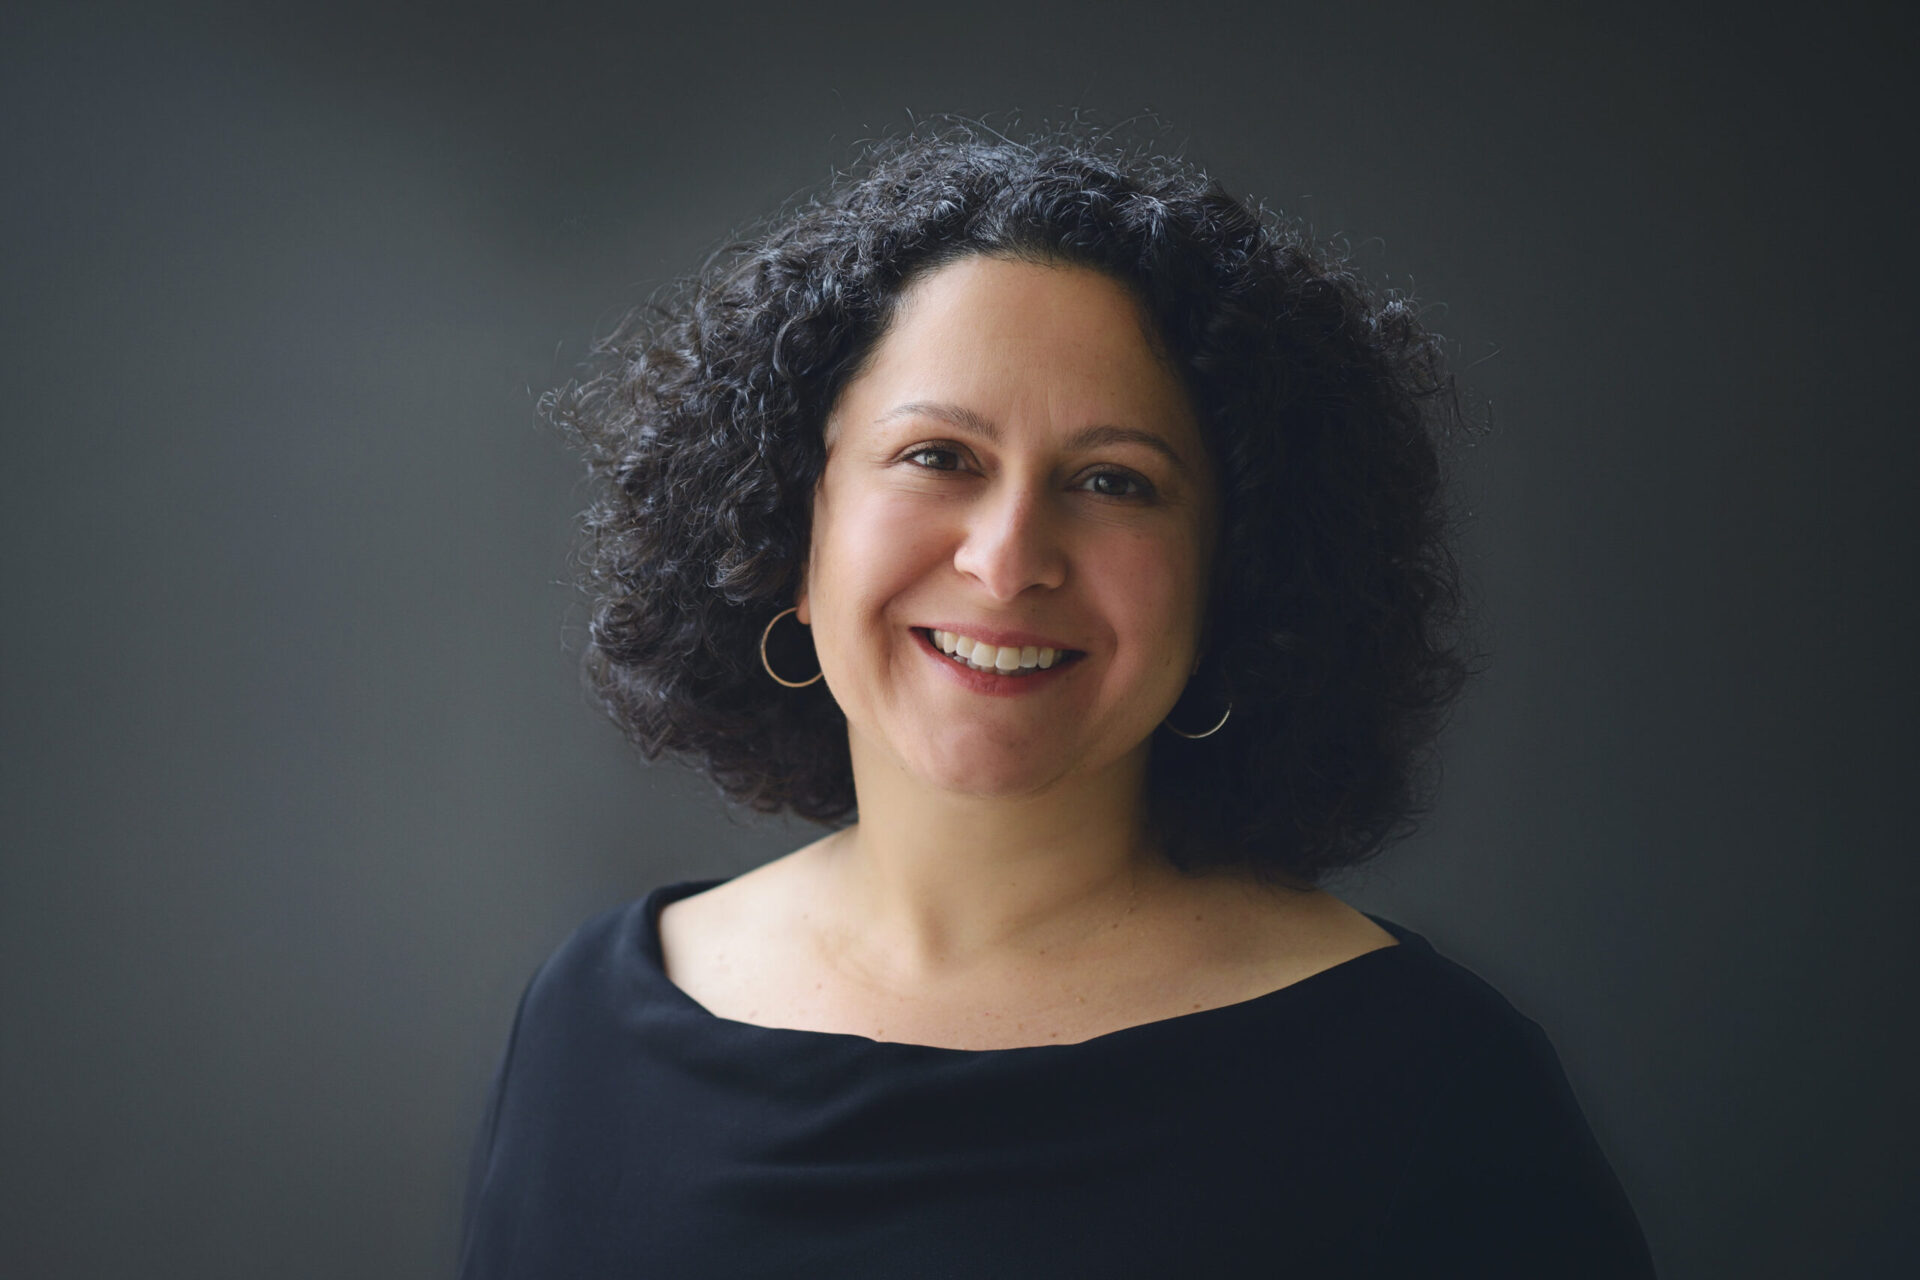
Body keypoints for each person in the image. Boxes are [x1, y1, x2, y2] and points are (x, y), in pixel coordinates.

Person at [458, 124, 1657, 1277]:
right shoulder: (586, 1020)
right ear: (788, 525)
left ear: (1235, 574)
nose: (1008, 559)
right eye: (939, 457)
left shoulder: (1430, 1087)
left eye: (1113, 481)